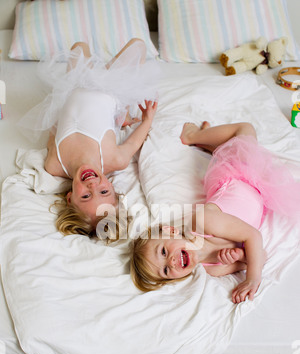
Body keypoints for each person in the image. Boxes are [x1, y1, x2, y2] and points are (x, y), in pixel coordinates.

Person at [130, 121, 300, 303]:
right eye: (165, 270)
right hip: (259, 197)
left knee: (244, 131)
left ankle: (192, 136)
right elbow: (260, 255)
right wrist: (242, 257)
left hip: (239, 177)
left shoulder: (203, 221)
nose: (170, 262)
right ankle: (210, 145)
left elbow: (253, 236)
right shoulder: (212, 268)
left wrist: (252, 278)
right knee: (228, 147)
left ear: (170, 231)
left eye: (163, 252)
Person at [19, 39, 159, 242]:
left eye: (85, 196)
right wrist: (148, 119)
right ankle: (122, 114)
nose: (93, 185)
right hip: (111, 90)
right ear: (112, 188)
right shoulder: (114, 160)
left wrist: (61, 102)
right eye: (103, 191)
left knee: (79, 47)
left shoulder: (55, 164)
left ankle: (115, 111)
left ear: (69, 197)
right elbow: (133, 143)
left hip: (76, 86)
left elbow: (54, 127)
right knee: (138, 45)